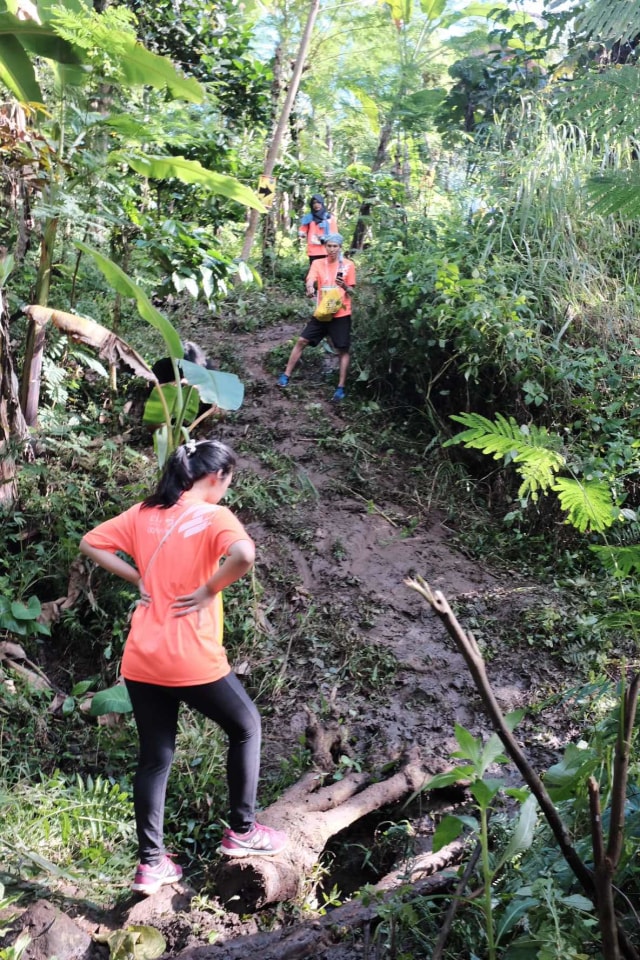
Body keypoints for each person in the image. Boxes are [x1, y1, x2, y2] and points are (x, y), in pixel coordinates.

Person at [79, 439, 287, 896]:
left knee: (155, 757)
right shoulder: (214, 516)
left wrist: (138, 577)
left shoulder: (143, 513)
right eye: (229, 482)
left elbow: (90, 541)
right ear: (216, 477)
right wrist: (212, 587)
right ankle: (243, 830)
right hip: (190, 657)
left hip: (141, 659)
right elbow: (245, 555)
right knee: (246, 726)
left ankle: (151, 863)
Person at [277, 233, 355, 402]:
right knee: (302, 341)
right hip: (322, 313)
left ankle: (341, 387)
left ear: (340, 247)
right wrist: (310, 287)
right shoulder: (318, 263)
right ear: (325, 246)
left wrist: (345, 286)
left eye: (335, 246)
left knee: (342, 349)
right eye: (329, 246)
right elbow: (310, 279)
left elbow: (353, 292)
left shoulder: (348, 265)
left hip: (341, 313)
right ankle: (286, 375)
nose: (332, 249)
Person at [298, 194, 338, 263]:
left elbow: (335, 235)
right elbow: (302, 231)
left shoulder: (329, 218)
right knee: (315, 272)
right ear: (311, 205)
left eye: (318, 202)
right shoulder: (308, 218)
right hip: (313, 251)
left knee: (326, 272)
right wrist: (302, 234)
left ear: (322, 203)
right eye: (314, 203)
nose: (316, 205)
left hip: (327, 250)